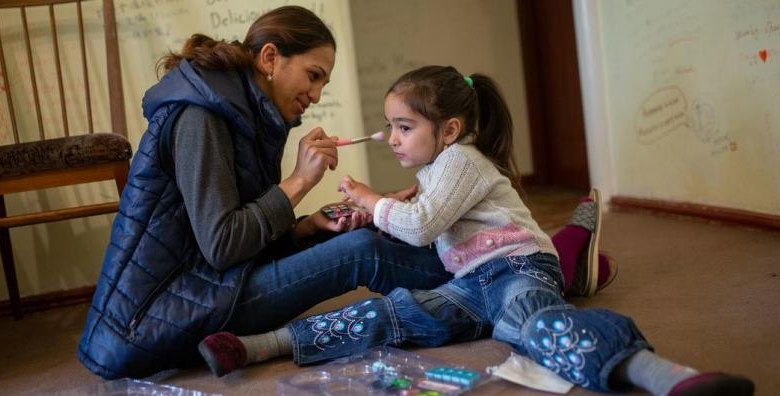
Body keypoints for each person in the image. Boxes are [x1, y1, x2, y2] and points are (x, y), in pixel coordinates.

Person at [77, 5, 611, 380]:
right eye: (312, 76)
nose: (315, 95)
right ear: (269, 58)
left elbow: (233, 239)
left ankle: (532, 262)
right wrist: (301, 181)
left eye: (324, 82)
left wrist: (310, 226)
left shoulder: (235, 110)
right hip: (155, 320)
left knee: (373, 235)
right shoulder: (202, 117)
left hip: (210, 285)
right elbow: (221, 246)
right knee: (368, 249)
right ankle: (547, 263)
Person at [198, 66, 754, 396]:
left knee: (533, 325)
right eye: (389, 126)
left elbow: (420, 229)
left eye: (404, 127)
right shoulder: (440, 169)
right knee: (392, 313)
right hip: (468, 284)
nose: (391, 139)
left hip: (515, 268)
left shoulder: (463, 160)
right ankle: (258, 346)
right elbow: (421, 221)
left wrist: (372, 199)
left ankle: (668, 377)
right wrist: (379, 211)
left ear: (451, 129)